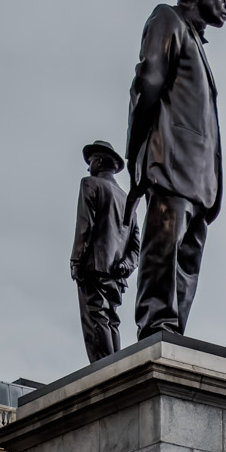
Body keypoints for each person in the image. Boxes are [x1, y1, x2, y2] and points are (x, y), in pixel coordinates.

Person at [126, 0, 226, 339]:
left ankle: (173, 335)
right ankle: (156, 327)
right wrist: (136, 156)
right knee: (163, 251)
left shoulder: (195, 40)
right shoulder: (167, 19)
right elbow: (148, 83)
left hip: (198, 179)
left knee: (186, 264)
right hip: (170, 165)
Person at [70, 140, 140, 363]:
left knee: (96, 317)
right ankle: (115, 366)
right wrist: (126, 265)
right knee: (111, 319)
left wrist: (76, 261)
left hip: (94, 265)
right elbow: (135, 246)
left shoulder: (90, 184)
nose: (88, 167)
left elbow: (85, 226)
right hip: (117, 274)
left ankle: (104, 370)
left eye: (90, 161)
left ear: (99, 161)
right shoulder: (127, 199)